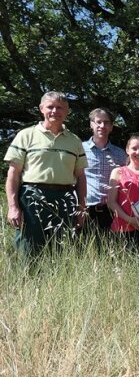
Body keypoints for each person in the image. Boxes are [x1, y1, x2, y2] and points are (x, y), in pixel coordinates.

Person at [4, 91, 88, 257]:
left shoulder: (74, 141)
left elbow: (80, 177)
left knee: (61, 250)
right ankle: (26, 281)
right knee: (29, 247)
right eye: (50, 107)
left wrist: (81, 208)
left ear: (67, 112)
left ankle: (55, 283)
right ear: (41, 108)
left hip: (65, 198)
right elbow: (13, 174)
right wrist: (13, 207)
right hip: (32, 197)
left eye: (60, 108)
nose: (55, 111)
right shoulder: (26, 135)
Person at [83, 108, 127, 233]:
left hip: (112, 210)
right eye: (98, 122)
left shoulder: (120, 154)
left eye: (106, 122)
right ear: (91, 124)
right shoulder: (79, 149)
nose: (102, 126)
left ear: (111, 127)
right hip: (86, 209)